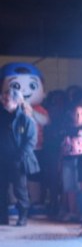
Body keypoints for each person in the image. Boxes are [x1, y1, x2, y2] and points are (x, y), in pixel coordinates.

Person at [0, 87, 40, 226]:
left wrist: (19, 157)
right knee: (1, 190)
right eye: (3, 98)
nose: (4, 101)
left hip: (18, 160)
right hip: (2, 159)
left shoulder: (25, 119)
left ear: (16, 101)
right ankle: (2, 217)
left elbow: (31, 141)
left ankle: (23, 216)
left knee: (20, 190)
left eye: (7, 99)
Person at [58, 104, 82, 221]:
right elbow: (61, 147)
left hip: (81, 161)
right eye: (76, 113)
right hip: (67, 160)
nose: (78, 116)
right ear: (72, 114)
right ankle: (72, 212)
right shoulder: (65, 129)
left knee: (80, 186)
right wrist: (59, 161)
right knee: (69, 186)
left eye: (81, 114)